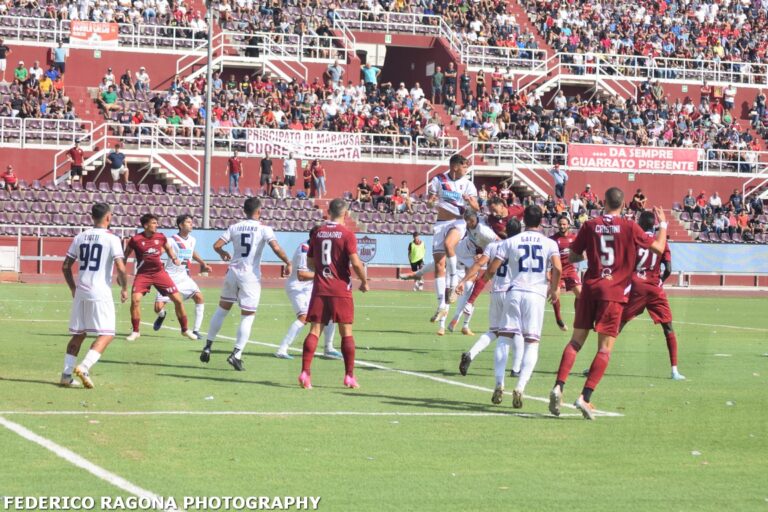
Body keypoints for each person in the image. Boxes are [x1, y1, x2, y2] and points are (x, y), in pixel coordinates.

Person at [549, 187, 668, 420]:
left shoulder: (590, 225)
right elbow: (659, 247)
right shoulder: (630, 226)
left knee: (575, 341)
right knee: (605, 348)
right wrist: (662, 225)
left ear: (603, 202)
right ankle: (584, 397)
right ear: (623, 205)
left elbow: (573, 256)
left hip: (590, 288)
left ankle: (558, 386)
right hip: (613, 292)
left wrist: (587, 256)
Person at [200, 197, 292, 370]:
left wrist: (222, 253)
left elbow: (217, 245)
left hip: (232, 273)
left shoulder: (234, 227)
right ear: (259, 211)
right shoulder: (264, 229)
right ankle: (237, 354)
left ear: (244, 211)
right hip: (250, 276)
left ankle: (208, 345)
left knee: (222, 309)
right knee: (247, 315)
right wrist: (288, 262)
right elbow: (276, 248)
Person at [485, 205, 561, 408]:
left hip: (514, 291)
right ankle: (520, 386)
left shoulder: (511, 241)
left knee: (504, 338)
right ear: (542, 220)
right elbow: (558, 268)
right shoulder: (549, 243)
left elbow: (493, 268)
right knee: (532, 342)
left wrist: (485, 277)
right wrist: (554, 289)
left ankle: (499, 383)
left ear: (524, 220)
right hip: (535, 294)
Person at [298, 199, 369, 389]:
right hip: (340, 289)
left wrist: (323, 270)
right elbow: (355, 263)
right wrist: (364, 281)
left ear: (328, 212)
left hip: (320, 288)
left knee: (314, 330)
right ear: (345, 214)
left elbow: (311, 262)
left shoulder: (318, 232)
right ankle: (349, 376)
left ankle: (305, 372)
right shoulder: (347, 234)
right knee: (346, 332)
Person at [60, 203, 128, 388]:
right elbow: (121, 268)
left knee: (79, 333)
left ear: (92, 217)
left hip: (81, 291)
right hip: (100, 292)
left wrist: (73, 288)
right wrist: (124, 287)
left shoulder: (80, 237)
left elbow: (66, 266)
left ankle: (66, 375)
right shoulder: (112, 238)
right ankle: (84, 366)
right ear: (108, 217)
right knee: (107, 334)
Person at [617, 211, 684, 380]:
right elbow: (668, 269)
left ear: (639, 224)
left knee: (619, 323)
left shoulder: (635, 240)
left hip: (637, 286)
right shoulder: (661, 241)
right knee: (668, 327)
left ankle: (597, 361)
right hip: (654, 288)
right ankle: (674, 370)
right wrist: (660, 281)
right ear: (654, 225)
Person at [456, 218, 522, 377]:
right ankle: (516, 369)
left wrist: (464, 281)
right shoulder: (519, 246)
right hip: (513, 292)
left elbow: (479, 266)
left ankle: (471, 354)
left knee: (494, 331)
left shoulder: (492, 246)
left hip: (496, 292)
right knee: (519, 330)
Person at [124, 214, 196, 342]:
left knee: (178, 300)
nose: (156, 225)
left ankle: (185, 330)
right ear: (146, 225)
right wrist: (121, 272)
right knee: (135, 300)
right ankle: (135, 331)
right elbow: (124, 256)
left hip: (159, 273)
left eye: (157, 223)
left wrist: (174, 258)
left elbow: (168, 248)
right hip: (143, 274)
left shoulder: (161, 237)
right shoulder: (135, 240)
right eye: (153, 223)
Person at [427, 154, 479, 324]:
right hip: (441, 223)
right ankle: (442, 304)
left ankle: (452, 283)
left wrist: (470, 202)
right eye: (464, 166)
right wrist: (431, 201)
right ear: (455, 166)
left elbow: (477, 207)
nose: (466, 169)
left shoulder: (468, 184)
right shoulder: (439, 180)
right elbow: (429, 202)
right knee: (438, 265)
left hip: (458, 222)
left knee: (449, 244)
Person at [275, 227, 341, 359]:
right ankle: (282, 349)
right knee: (304, 317)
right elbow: (301, 275)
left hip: (309, 287)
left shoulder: (320, 247)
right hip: (297, 287)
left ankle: (328, 348)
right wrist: (323, 275)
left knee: (329, 313)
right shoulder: (304, 250)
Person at [152, 215, 212, 340]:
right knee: (158, 308)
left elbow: (192, 252)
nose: (191, 224)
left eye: (192, 222)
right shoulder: (171, 240)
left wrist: (203, 264)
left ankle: (196, 330)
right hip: (169, 278)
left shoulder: (192, 240)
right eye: (188, 222)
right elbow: (160, 251)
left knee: (199, 298)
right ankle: (162, 315)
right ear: (180, 225)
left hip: (184, 277)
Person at [550, 215, 582, 331]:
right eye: (560, 224)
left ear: (568, 225)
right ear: (557, 225)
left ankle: (577, 319)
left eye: (564, 224)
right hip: (557, 271)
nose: (562, 226)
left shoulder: (574, 238)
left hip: (570, 270)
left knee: (581, 295)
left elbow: (580, 254)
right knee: (555, 295)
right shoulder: (552, 239)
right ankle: (559, 320)